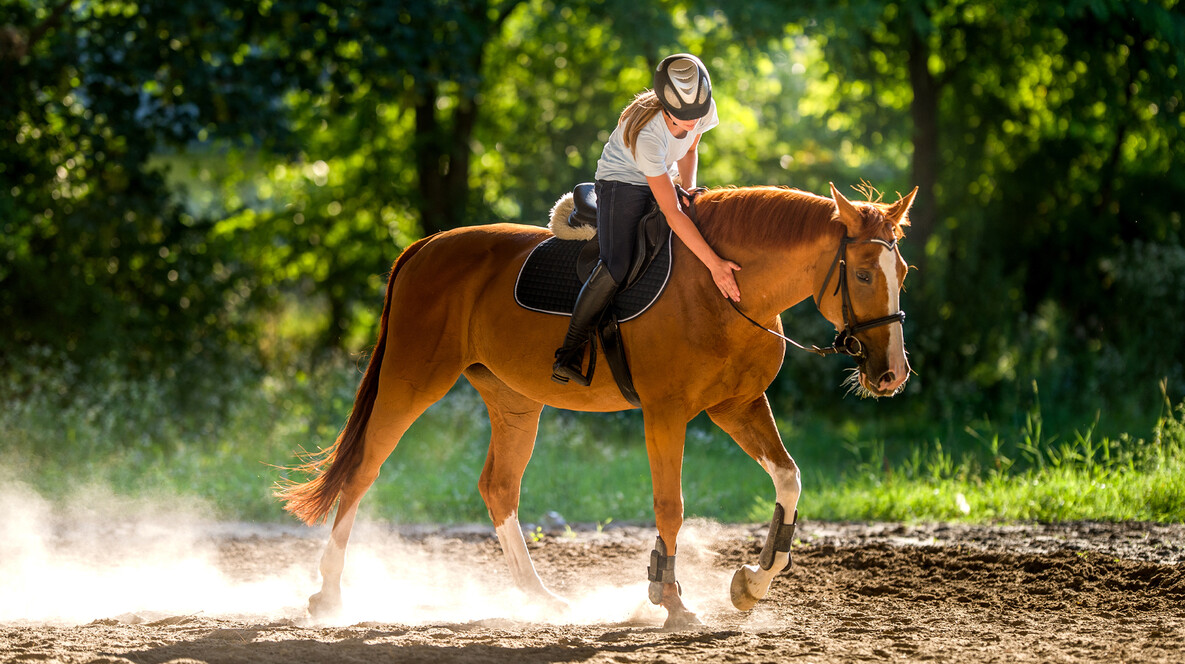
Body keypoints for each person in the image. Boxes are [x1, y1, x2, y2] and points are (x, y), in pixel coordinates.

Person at [552, 53, 742, 386]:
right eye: (684, 120)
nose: (693, 124)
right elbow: (672, 212)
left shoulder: (700, 109)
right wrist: (714, 264)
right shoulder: (647, 135)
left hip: (662, 172)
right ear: (667, 110)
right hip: (621, 181)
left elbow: (690, 150)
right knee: (618, 265)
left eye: (697, 117)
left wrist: (690, 187)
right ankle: (567, 353)